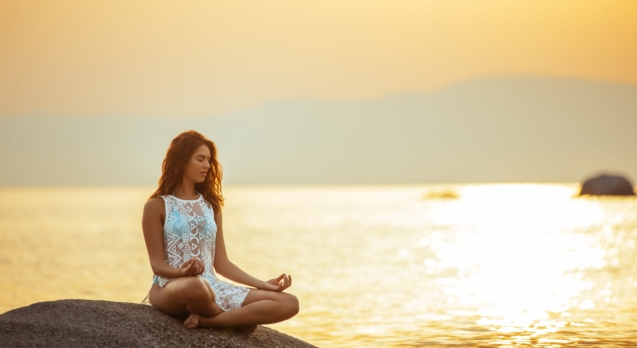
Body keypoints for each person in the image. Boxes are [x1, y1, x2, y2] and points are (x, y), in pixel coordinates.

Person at [141, 130, 299, 330]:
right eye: (200, 159)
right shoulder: (156, 206)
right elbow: (156, 265)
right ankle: (236, 319)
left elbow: (221, 263)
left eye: (209, 160)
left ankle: (211, 321)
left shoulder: (211, 206)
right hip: (170, 287)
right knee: (196, 286)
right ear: (181, 160)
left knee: (289, 302)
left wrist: (262, 284)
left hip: (211, 287)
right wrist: (181, 271)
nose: (207, 165)